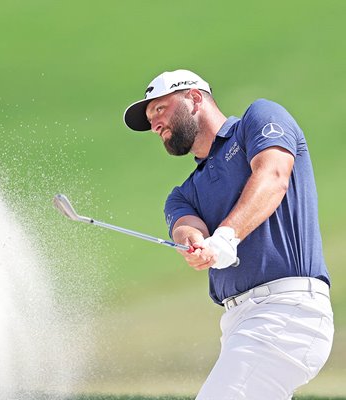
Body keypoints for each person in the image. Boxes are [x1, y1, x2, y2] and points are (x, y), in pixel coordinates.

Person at [123, 69, 334, 399]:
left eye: (160, 109)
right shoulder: (184, 193)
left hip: (286, 312)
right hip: (239, 323)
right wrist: (193, 242)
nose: (154, 124)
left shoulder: (259, 119)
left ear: (194, 98)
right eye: (150, 119)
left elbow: (273, 175)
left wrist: (224, 238)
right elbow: (185, 225)